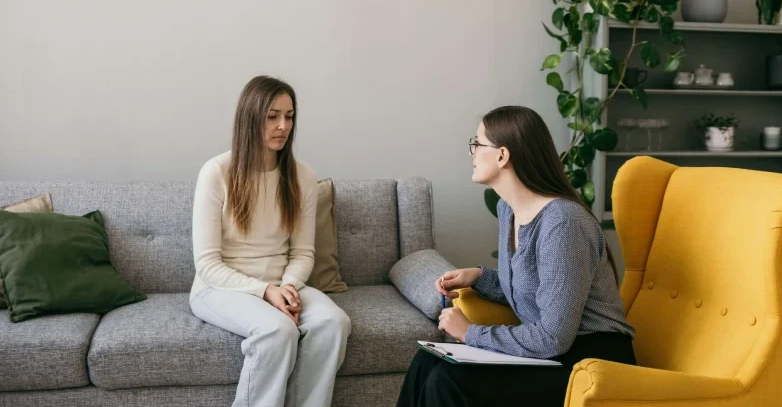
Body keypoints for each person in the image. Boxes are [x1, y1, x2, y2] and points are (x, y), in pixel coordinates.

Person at [397, 105, 636, 407]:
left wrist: (470, 333)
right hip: (557, 353)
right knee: (427, 362)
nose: (471, 153)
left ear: (502, 155)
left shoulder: (563, 223)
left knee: (448, 380)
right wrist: (480, 277)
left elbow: (553, 337)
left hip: (592, 363)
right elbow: (536, 289)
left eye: (477, 144)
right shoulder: (508, 210)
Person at [189, 75, 351, 407]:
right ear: (250, 118)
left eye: (289, 116)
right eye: (272, 116)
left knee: (334, 322)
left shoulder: (302, 176)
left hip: (283, 283)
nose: (283, 126)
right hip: (219, 287)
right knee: (278, 330)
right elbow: (207, 264)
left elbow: (303, 252)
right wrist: (265, 292)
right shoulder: (216, 172)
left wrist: (287, 287)